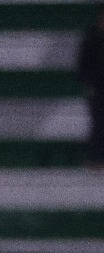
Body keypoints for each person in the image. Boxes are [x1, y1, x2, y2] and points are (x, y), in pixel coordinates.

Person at [79, 8, 104, 167]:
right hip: (98, 87)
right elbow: (84, 63)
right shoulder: (92, 39)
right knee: (99, 123)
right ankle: (96, 158)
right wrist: (88, 84)